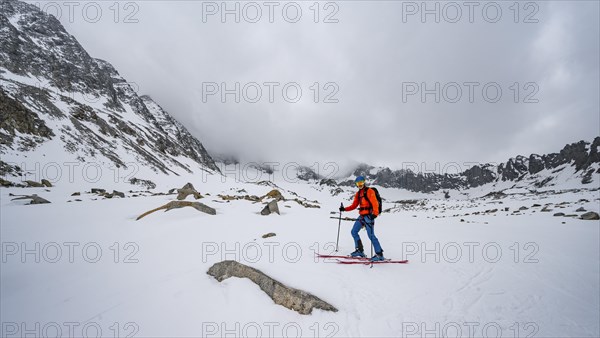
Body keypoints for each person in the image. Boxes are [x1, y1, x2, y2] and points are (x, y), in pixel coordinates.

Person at [339, 176, 385, 261]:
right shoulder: (358, 194)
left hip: (369, 216)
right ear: (356, 184)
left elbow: (375, 203)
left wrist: (375, 214)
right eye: (358, 183)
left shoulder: (370, 191)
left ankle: (379, 254)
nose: (360, 185)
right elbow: (354, 205)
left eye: (361, 182)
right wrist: (344, 209)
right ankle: (360, 250)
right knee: (354, 231)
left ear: (364, 182)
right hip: (362, 216)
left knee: (371, 235)